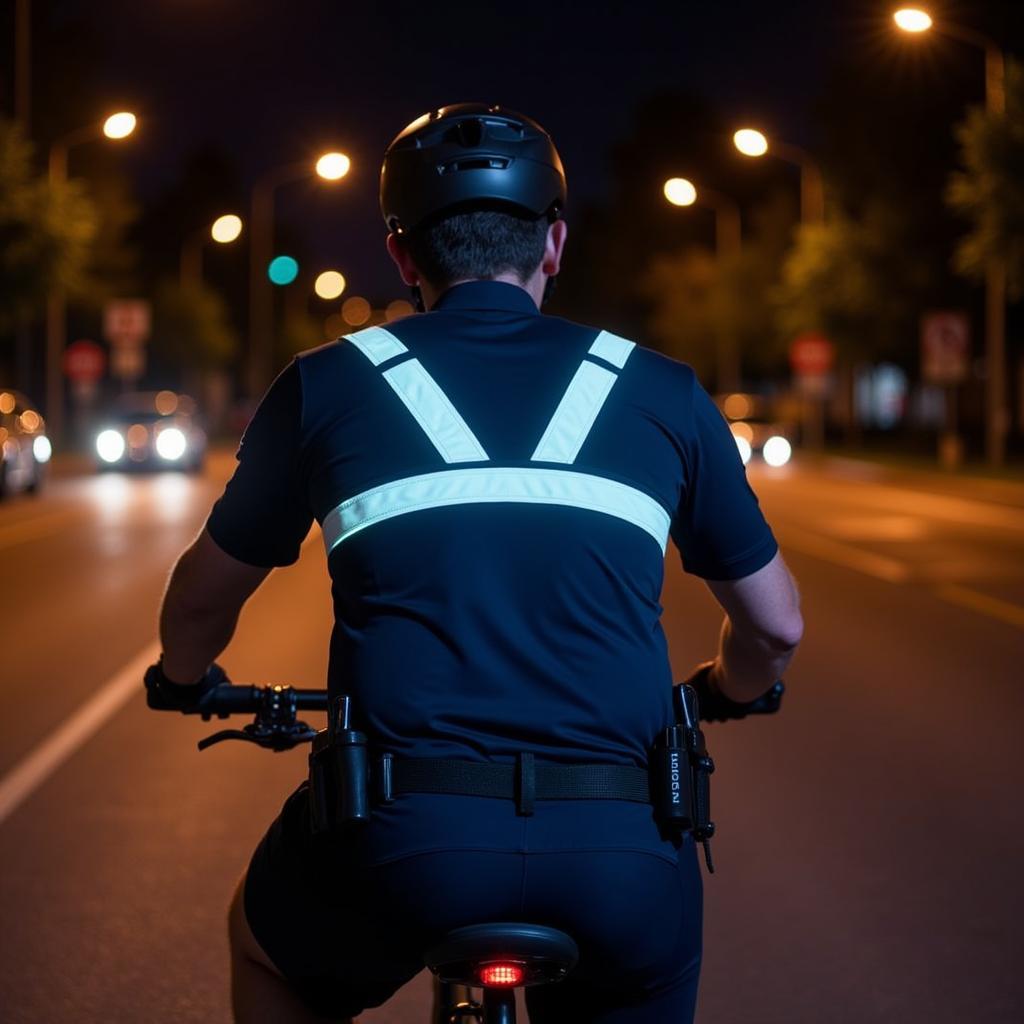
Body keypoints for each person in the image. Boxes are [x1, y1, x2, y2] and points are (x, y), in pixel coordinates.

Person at [146, 103, 803, 1023]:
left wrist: (185, 677)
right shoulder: (660, 388)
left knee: (268, 954)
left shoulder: (328, 382)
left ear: (404, 257)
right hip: (620, 852)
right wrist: (730, 688)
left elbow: (202, 599)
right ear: (556, 242)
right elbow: (775, 625)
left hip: (401, 842)